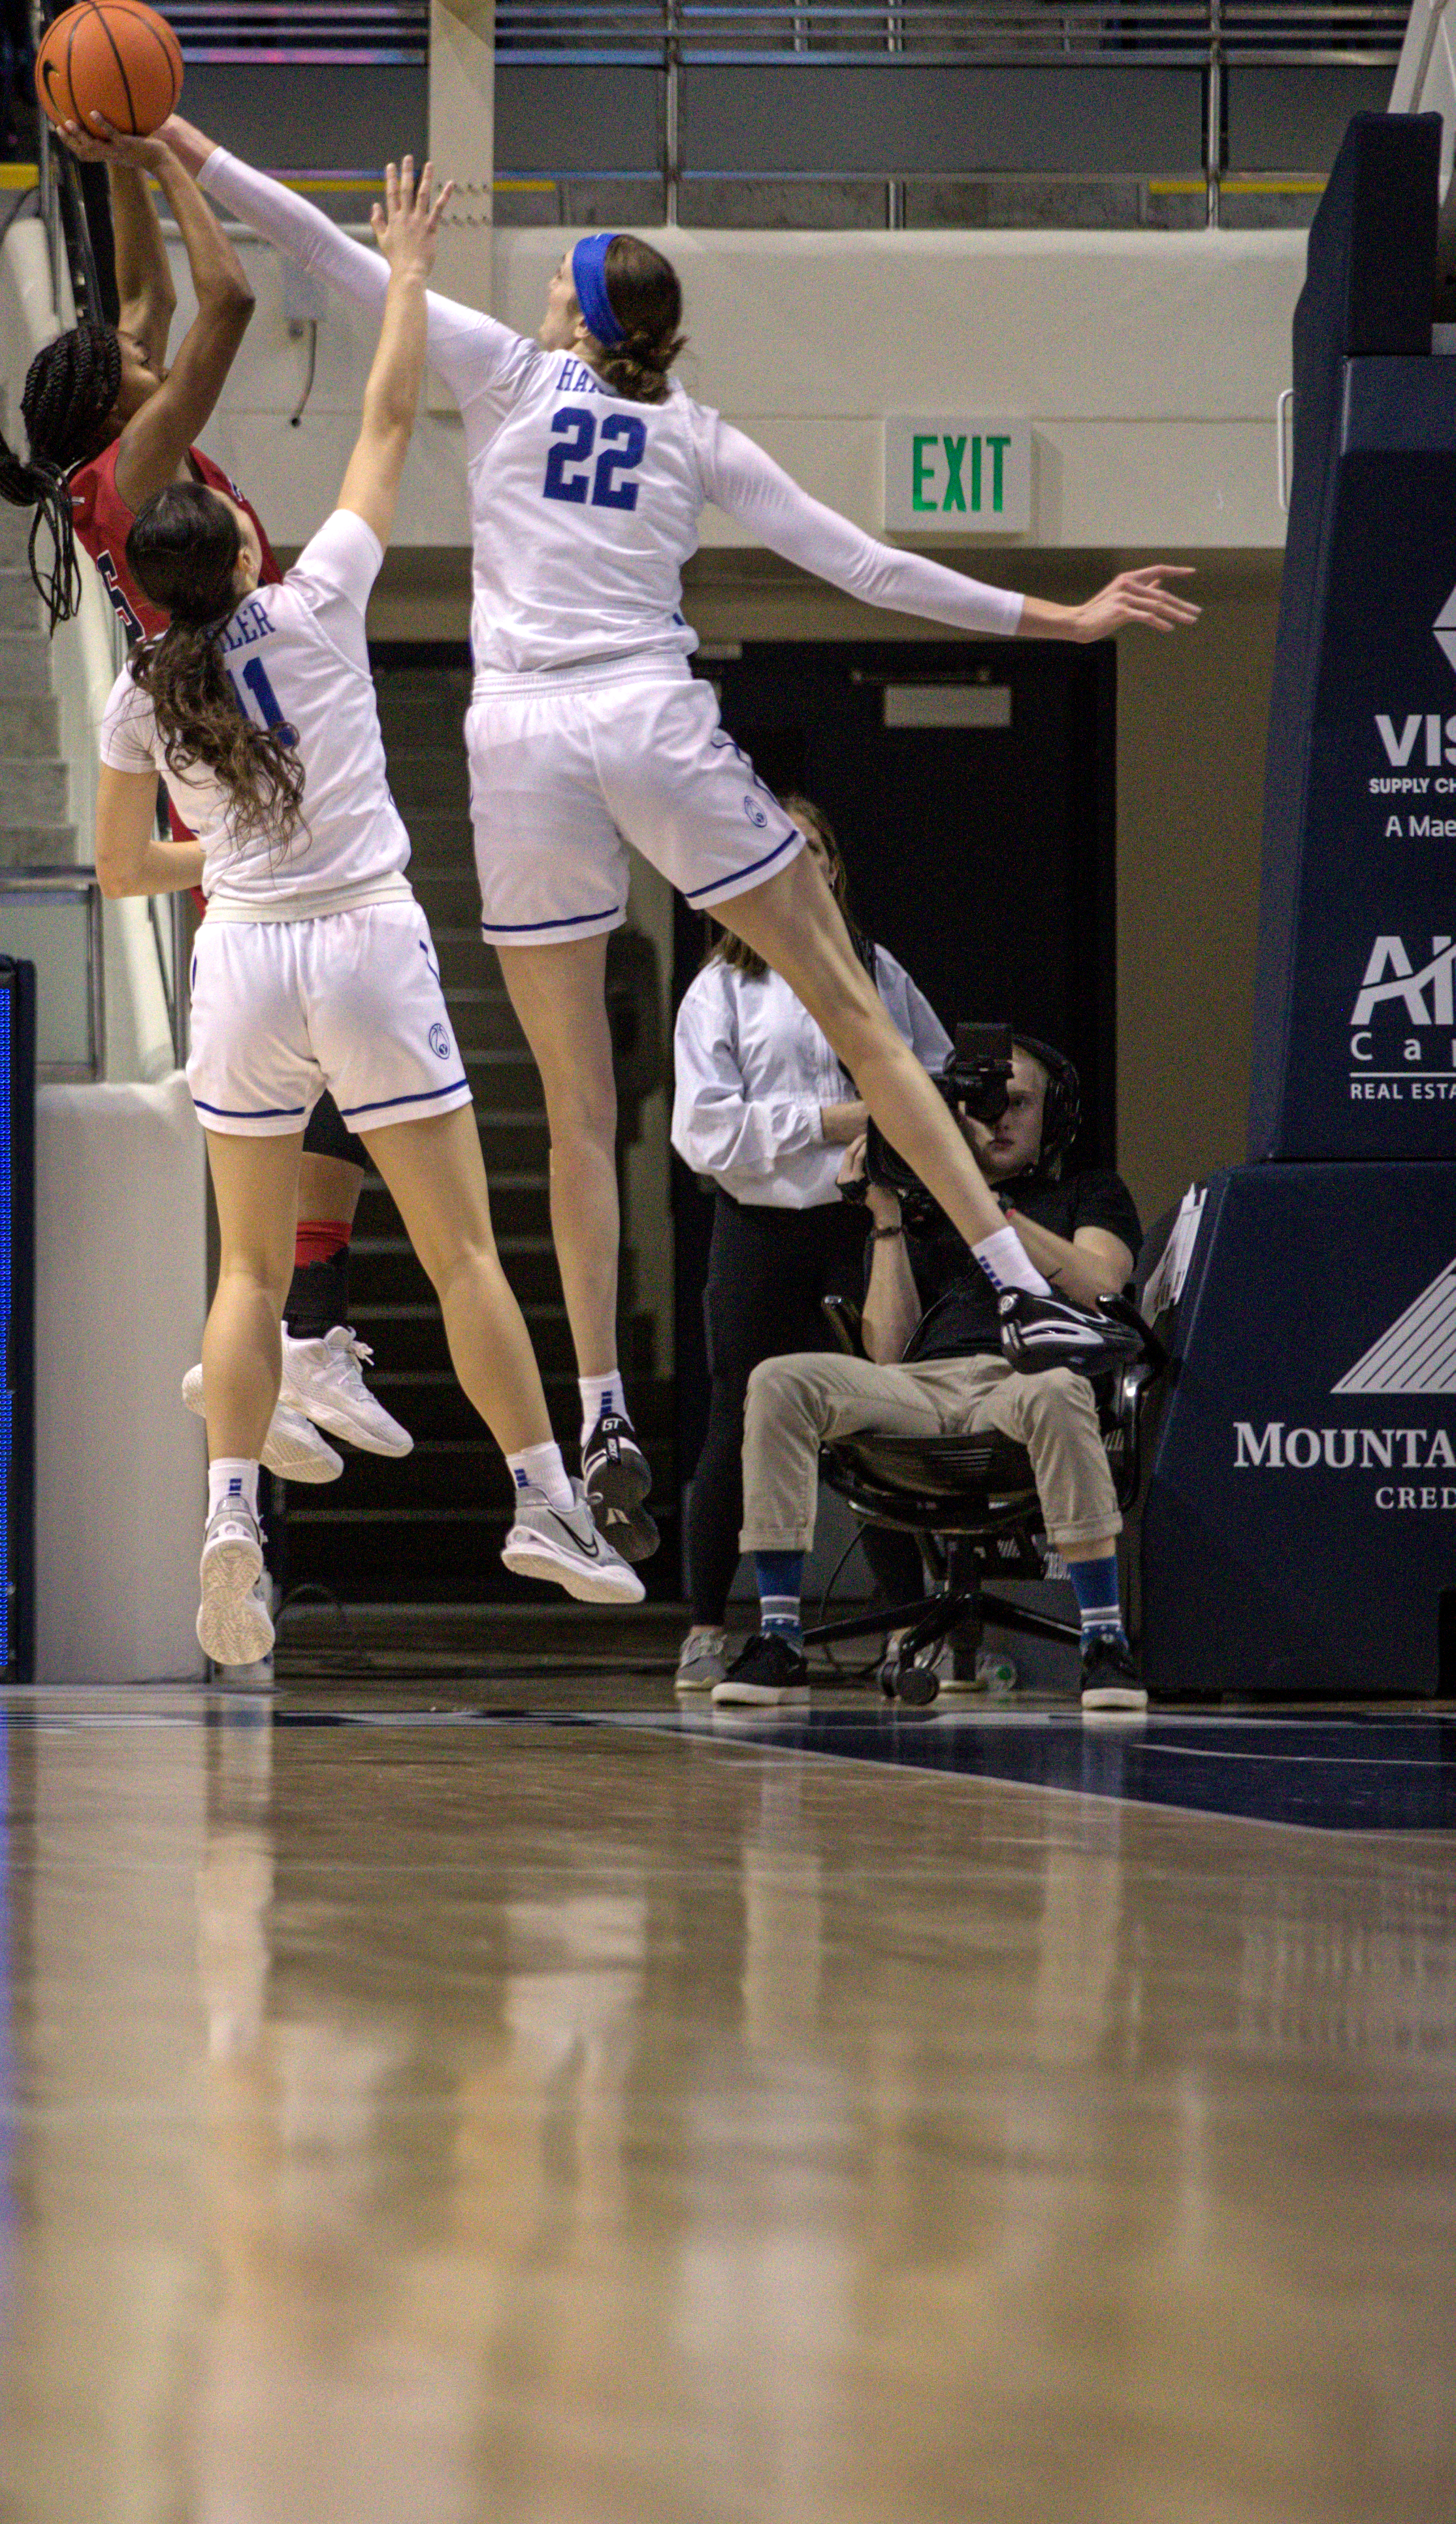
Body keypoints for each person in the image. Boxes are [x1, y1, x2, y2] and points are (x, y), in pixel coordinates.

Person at [119, 115, 1196, 1550]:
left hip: (516, 744)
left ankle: (602, 1403)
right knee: (860, 1017)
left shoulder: (503, 369)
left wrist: (181, 140)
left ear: (573, 311)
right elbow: (860, 563)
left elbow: (316, 252)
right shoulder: (690, 433)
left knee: (574, 1103)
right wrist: (1052, 619)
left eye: (559, 279)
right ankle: (1012, 1277)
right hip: (644, 717)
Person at [93, 159, 640, 1664]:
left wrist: (228, 854)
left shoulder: (142, 690)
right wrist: (402, 272)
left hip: (245, 956)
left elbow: (125, 872)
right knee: (463, 1251)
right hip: (364, 938)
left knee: (248, 1274)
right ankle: (540, 1498)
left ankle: (224, 1520)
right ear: (245, 551)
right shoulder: (318, 597)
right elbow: (391, 422)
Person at [0, 116, 402, 1486]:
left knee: (326, 1096)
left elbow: (154, 300)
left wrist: (109, 153)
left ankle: (299, 1337)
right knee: (334, 1076)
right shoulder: (140, 474)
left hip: (230, 775)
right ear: (122, 403)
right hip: (236, 778)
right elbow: (221, 298)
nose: (147, 341)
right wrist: (180, 146)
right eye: (131, 360)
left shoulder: (118, 459)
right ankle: (285, 1337)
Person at [716, 1036, 1149, 1711]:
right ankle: (778, 1639)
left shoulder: (1087, 1192)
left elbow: (1100, 1286)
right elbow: (886, 1353)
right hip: (921, 1387)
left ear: (1052, 1114)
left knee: (1060, 1390)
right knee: (778, 1378)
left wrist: (982, 1207)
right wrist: (887, 1219)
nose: (997, 1120)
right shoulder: (918, 1208)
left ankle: (1102, 1644)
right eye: (978, 1108)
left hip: (1026, 1380)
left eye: (1016, 1104)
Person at [670, 795, 948, 1696]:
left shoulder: (875, 972)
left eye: (817, 851)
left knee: (881, 1417)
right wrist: (838, 1118)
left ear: (833, 869)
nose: (805, 866)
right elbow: (705, 1132)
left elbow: (932, 1079)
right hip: (759, 1231)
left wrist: (891, 1133)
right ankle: (708, 1627)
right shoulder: (721, 988)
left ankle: (910, 1627)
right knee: (736, 1425)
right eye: (780, 852)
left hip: (860, 1220)